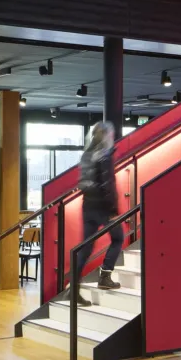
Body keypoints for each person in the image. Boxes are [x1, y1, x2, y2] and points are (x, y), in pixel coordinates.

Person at [72, 121, 124, 306]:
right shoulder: (104, 156)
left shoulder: (86, 155)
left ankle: (74, 289)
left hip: (87, 207)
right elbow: (107, 184)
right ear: (107, 136)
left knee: (86, 249)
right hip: (103, 207)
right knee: (118, 238)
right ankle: (105, 277)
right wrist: (113, 210)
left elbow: (83, 182)